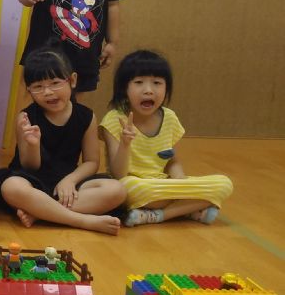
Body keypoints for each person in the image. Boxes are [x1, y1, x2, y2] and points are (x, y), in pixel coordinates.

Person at [0, 45, 125, 235]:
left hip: (67, 184)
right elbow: (29, 166)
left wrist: (70, 180)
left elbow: (91, 162)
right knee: (11, 187)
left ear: (72, 80)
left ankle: (41, 212)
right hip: (32, 181)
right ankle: (81, 220)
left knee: (116, 190)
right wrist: (32, 144)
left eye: (55, 83)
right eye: (38, 87)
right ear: (29, 90)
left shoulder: (86, 116)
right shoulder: (26, 117)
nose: (48, 92)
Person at [100, 50, 233, 227]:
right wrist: (125, 143)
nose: (148, 90)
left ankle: (157, 215)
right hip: (135, 185)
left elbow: (171, 160)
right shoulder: (114, 119)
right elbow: (118, 174)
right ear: (125, 88)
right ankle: (188, 209)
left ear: (166, 88)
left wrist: (180, 181)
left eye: (157, 83)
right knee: (135, 188)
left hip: (162, 185)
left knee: (224, 184)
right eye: (139, 83)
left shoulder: (169, 117)